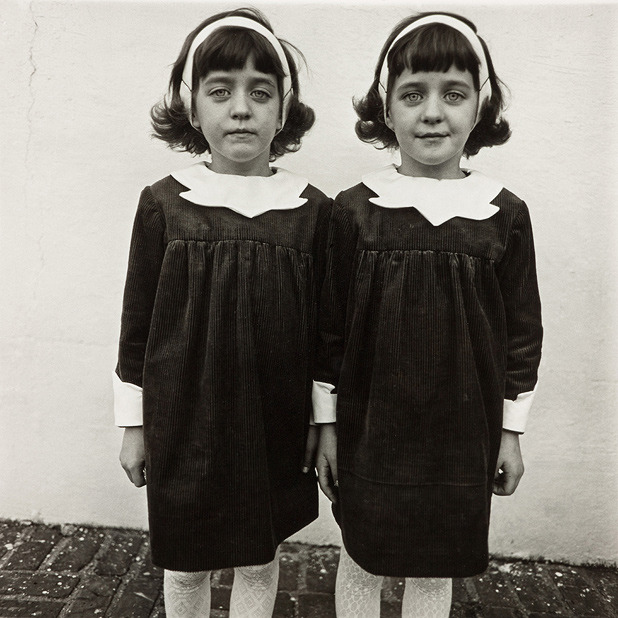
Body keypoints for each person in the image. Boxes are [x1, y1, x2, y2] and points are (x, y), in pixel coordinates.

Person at [314, 12, 543, 617]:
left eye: (453, 94)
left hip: (461, 432)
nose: (433, 112)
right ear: (386, 109)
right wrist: (327, 426)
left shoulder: (503, 215)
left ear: (479, 109)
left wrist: (511, 431)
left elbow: (521, 334)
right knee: (364, 555)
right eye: (412, 94)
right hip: (371, 427)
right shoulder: (355, 211)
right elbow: (328, 333)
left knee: (436, 558)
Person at [114, 8, 332, 617]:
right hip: (186, 417)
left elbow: (324, 334)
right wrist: (135, 425)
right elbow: (138, 327)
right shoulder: (165, 205)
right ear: (192, 105)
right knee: (187, 561)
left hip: (275, 419)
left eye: (260, 93)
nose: (241, 108)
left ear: (282, 110)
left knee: (258, 558)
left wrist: (322, 421)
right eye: (221, 91)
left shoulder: (310, 211)